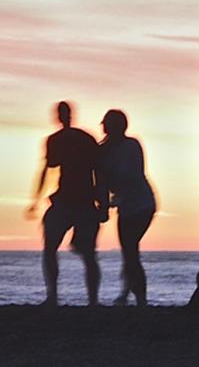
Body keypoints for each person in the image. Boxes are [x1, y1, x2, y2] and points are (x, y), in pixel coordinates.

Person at [26, 101, 102, 306]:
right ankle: (57, 296)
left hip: (80, 201)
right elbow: (48, 168)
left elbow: (99, 171)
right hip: (72, 200)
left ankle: (78, 298)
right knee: (65, 250)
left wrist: (102, 202)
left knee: (82, 253)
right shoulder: (74, 139)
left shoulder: (73, 139)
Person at [96, 109, 157, 307]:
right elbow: (102, 182)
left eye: (105, 123)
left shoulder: (131, 145)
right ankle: (128, 294)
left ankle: (139, 298)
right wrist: (104, 205)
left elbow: (132, 175)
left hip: (141, 204)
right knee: (129, 251)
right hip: (126, 206)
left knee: (130, 251)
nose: (103, 127)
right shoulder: (102, 151)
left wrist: (109, 202)